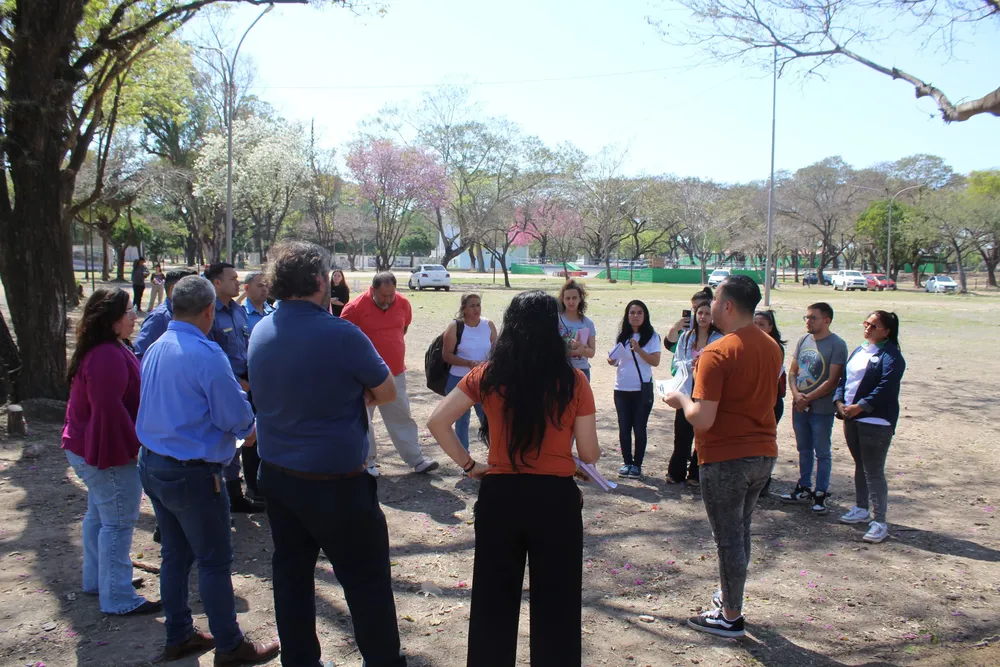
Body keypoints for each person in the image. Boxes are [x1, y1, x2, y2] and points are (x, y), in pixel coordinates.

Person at [248, 242, 407, 667]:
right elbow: (387, 389)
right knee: (367, 583)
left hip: (278, 476)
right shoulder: (341, 333)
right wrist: (354, 400)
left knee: (292, 576)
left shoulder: (262, 328)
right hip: (335, 485)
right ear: (320, 282)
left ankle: (299, 660)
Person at [427, 290, 601, 667]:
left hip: (500, 496)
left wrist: (469, 465)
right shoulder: (573, 382)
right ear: (554, 329)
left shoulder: (487, 375)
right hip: (555, 500)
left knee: (493, 602)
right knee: (557, 605)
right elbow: (589, 453)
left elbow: (437, 421)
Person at [136, 275, 279, 665]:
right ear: (209, 310)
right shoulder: (206, 353)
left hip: (153, 463)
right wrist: (252, 431)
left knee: (175, 555)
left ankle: (179, 633)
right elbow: (236, 417)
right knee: (214, 562)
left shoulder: (157, 345)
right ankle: (231, 645)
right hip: (192, 473)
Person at [664, 275, 782, 639]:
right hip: (763, 454)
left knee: (728, 538)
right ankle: (731, 598)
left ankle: (730, 615)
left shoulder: (717, 353)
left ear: (728, 306)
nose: (709, 306)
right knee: (740, 531)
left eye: (715, 299)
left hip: (727, 457)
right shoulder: (771, 346)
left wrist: (679, 399)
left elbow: (703, 417)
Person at [62, 287, 161, 616]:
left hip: (88, 448)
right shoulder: (105, 355)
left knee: (100, 517)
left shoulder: (108, 347)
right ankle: (118, 597)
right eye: (129, 312)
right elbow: (108, 409)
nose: (135, 317)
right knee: (118, 523)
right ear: (112, 319)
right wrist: (129, 449)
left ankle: (99, 580)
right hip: (103, 452)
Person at [341, 272, 439, 475]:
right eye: (383, 295)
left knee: (401, 416)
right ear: (373, 290)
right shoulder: (354, 308)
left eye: (391, 295)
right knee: (363, 420)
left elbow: (403, 329)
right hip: (363, 377)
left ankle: (416, 460)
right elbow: (343, 341)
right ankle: (367, 463)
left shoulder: (403, 303)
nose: (388, 299)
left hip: (394, 373)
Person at [834, 311, 906, 544]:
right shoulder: (860, 350)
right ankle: (861, 508)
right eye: (866, 324)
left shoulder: (892, 356)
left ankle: (880, 521)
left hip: (875, 421)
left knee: (873, 470)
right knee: (860, 465)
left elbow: (886, 387)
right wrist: (840, 402)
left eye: (874, 326)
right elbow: (844, 380)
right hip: (852, 418)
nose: (868, 328)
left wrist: (862, 406)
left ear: (886, 331)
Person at [205, 262, 264, 513]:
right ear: (217, 283)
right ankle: (227, 494)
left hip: (248, 380)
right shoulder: (207, 314)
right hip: (228, 384)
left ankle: (244, 489)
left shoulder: (237, 311)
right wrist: (239, 382)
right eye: (233, 278)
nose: (237, 282)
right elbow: (210, 356)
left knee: (250, 438)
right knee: (226, 439)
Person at [780, 302, 848, 515]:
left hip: (820, 408)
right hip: (799, 406)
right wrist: (797, 395)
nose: (808, 321)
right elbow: (792, 372)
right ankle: (803, 486)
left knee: (823, 452)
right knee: (804, 449)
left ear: (826, 320)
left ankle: (820, 492)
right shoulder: (803, 340)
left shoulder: (837, 344)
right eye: (806, 317)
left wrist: (807, 398)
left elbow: (832, 380)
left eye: (813, 318)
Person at [665, 291, 723, 486]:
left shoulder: (718, 338)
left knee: (701, 434)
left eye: (707, 313)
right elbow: (678, 359)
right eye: (700, 313)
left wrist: (703, 364)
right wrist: (692, 363)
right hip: (686, 390)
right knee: (682, 433)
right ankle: (676, 472)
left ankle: (696, 475)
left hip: (705, 393)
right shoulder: (687, 336)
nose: (703, 317)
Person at [607, 300, 660, 479]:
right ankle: (627, 462)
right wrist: (612, 360)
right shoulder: (622, 336)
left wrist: (638, 350)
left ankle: (637, 465)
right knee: (624, 427)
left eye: (639, 312)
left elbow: (655, 361)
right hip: (621, 388)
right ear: (627, 316)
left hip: (641, 389)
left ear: (645, 316)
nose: (635, 316)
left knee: (639, 427)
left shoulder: (652, 337)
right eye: (632, 312)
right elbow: (618, 361)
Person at [441, 293, 497, 452]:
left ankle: (496, 454)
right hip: (459, 380)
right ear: (463, 309)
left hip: (483, 379)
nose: (476, 309)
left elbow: (496, 351)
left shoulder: (488, 325)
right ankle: (464, 458)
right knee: (461, 420)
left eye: (478, 305)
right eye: (472, 305)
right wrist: (468, 363)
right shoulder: (455, 327)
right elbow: (447, 355)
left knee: (488, 418)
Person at [754, 309, 787, 496]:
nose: (757, 327)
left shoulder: (775, 347)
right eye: (755, 323)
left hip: (771, 402)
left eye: (762, 324)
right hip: (753, 402)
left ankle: (764, 482)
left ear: (770, 328)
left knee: (766, 443)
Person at [134, 269, 196, 359]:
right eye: (193, 289)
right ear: (173, 290)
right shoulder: (158, 318)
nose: (199, 294)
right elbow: (140, 354)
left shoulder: (195, 316)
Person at [557, 279, 596, 381]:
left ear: (580, 299)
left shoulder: (588, 323)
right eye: (567, 298)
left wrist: (581, 348)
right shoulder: (556, 321)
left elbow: (592, 353)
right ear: (562, 299)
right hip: (561, 369)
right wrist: (574, 351)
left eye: (574, 298)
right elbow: (553, 350)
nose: (571, 301)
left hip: (583, 371)